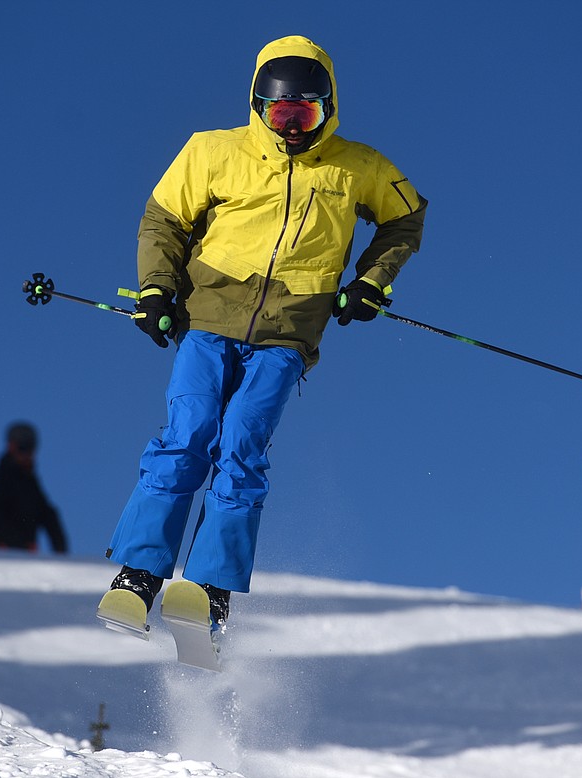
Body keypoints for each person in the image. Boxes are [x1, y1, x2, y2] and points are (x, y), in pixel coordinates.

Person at [103, 35, 427, 630]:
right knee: (188, 435)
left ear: (329, 108)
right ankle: (139, 574)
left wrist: (371, 282)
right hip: (207, 320)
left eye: (308, 113)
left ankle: (209, 589)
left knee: (242, 448)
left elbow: (406, 218)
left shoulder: (356, 166)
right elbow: (164, 220)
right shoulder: (212, 151)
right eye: (282, 112)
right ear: (258, 107)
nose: (295, 127)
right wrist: (155, 290)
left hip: (288, 333)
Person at [0, 422, 68, 554]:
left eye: (30, 448)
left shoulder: (31, 483)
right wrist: (10, 541)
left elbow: (48, 515)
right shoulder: (1, 476)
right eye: (22, 448)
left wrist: (61, 551)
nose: (26, 454)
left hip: (24, 554)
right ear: (11, 447)